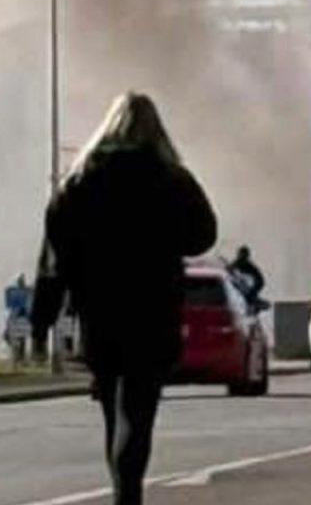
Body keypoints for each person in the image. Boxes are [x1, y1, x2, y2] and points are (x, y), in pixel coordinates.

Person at [31, 92, 217, 505]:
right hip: (153, 312)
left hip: (99, 313)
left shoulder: (79, 182)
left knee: (112, 412)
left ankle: (123, 492)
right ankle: (127, 494)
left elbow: (54, 260)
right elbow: (203, 235)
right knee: (138, 411)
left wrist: (41, 320)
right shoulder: (172, 179)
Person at [227, 245, 266, 310]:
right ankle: (253, 302)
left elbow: (231, 267)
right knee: (244, 290)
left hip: (257, 281)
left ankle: (254, 303)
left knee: (248, 294)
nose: (239, 255)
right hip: (254, 280)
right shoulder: (243, 261)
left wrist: (228, 268)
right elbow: (231, 267)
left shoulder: (241, 261)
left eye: (241, 254)